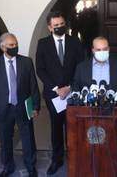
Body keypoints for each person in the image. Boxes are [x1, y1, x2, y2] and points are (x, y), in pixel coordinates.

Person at [36, 11, 84, 175]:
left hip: (72, 92)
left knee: (73, 127)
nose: (59, 27)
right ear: (50, 27)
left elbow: (81, 65)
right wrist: (57, 88)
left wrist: (69, 87)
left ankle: (74, 157)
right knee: (56, 128)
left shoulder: (75, 41)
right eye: (55, 25)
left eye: (61, 24)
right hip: (53, 94)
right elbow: (40, 69)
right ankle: (57, 159)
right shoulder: (43, 44)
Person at [0, 33, 40, 177]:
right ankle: (8, 166)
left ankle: (31, 166)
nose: (14, 47)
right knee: (5, 139)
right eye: (11, 45)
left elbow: (33, 86)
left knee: (28, 137)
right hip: (3, 108)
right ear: (2, 47)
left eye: (15, 44)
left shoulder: (26, 62)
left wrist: (35, 106)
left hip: (23, 106)